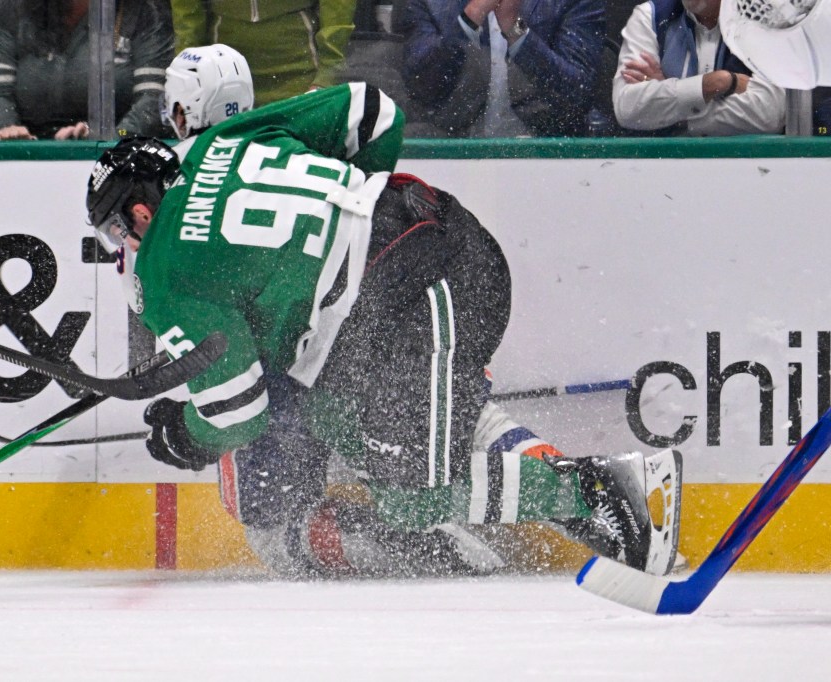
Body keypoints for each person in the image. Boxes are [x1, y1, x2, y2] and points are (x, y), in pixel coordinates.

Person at [85, 83, 684, 578]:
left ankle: (603, 489)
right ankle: (604, 512)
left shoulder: (163, 272)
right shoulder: (220, 142)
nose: (123, 246)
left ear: (140, 211)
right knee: (341, 419)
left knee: (411, 496)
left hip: (424, 286)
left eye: (117, 230)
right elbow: (373, 111)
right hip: (426, 246)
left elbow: (240, 411)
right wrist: (352, 203)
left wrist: (190, 437)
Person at [401, 0, 606, 137]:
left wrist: (514, 29)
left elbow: (579, 95)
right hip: (451, 153)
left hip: (545, 156)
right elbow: (422, 89)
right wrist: (471, 18)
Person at [0, 0, 174, 140]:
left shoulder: (146, 10)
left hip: (116, 156)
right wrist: (7, 129)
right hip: (30, 152)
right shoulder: (13, 9)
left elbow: (154, 100)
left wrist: (112, 138)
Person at [611, 0, 785, 135]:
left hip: (751, 169)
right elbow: (628, 108)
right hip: (668, 169)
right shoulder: (651, 16)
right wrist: (713, 83)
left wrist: (672, 106)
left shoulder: (767, 18)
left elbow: (770, 113)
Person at [169, 0, 355, 106]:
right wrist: (186, 76)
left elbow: (338, 10)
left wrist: (328, 75)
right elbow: (187, 15)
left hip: (303, 77)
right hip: (221, 81)